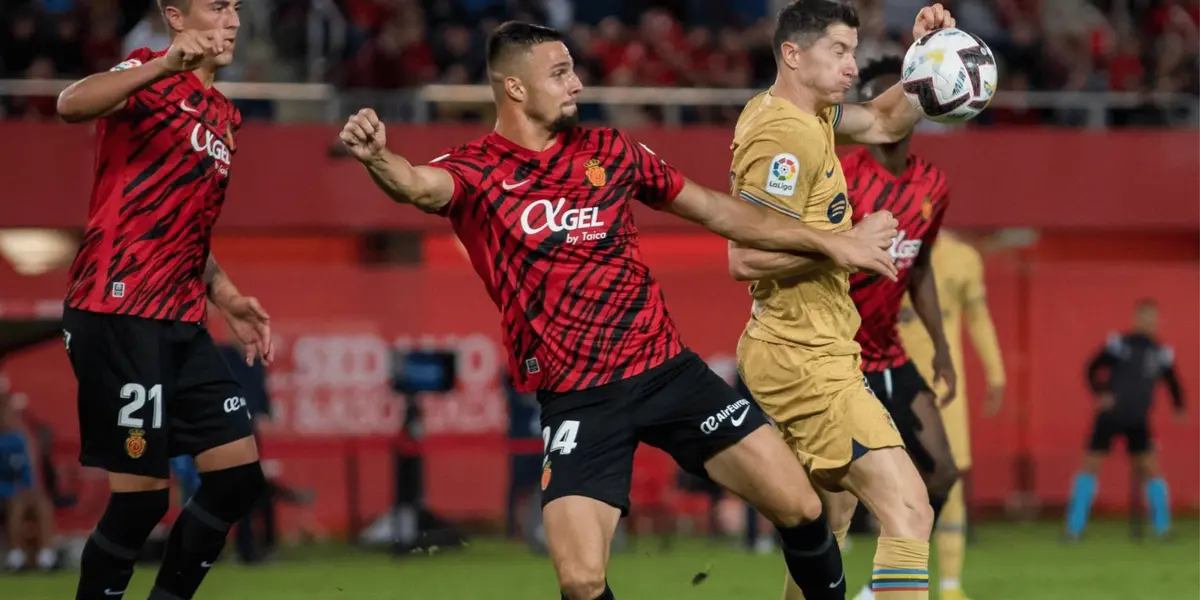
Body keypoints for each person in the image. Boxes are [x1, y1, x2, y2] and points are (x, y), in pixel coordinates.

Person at [340, 20, 902, 600]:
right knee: (581, 581)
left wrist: (830, 241)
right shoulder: (477, 170)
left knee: (802, 507)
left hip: (668, 373)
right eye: (559, 74)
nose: (577, 84)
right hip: (581, 398)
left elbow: (716, 210)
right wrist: (379, 159)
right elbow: (415, 185)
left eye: (574, 70)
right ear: (514, 88)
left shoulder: (610, 150)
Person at [728, 3, 957, 599]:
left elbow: (884, 121)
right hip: (804, 357)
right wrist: (845, 246)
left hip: (815, 346)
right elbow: (745, 258)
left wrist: (925, 57)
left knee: (827, 522)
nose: (853, 65)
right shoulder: (783, 137)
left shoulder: (814, 115)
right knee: (909, 508)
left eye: (854, 51)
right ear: (793, 55)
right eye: (839, 51)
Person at [55, 1, 274, 598]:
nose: (231, 19)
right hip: (118, 311)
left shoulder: (223, 116)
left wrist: (226, 294)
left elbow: (184, 226)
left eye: (236, 7)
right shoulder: (146, 73)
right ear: (176, 17)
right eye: (217, 6)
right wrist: (162, 67)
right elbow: (69, 104)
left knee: (238, 479)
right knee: (142, 502)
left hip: (180, 318)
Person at [838, 55, 960, 600]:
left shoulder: (933, 184)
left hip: (890, 355)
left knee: (943, 473)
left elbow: (922, 267)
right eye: (885, 97)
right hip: (839, 360)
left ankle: (876, 588)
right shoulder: (842, 176)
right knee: (829, 501)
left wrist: (941, 348)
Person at [896, 230, 1006, 599]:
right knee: (890, 487)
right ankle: (897, 582)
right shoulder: (882, 249)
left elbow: (978, 318)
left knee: (950, 482)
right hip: (891, 385)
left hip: (945, 392)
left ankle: (950, 584)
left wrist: (996, 372)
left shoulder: (962, 258)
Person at [1065, 299, 1186, 542]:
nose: (1148, 321)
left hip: (1138, 419)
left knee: (1151, 469)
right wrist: (1101, 393)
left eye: (1152, 317)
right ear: (1136, 318)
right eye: (1144, 316)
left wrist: (1179, 407)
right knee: (1090, 466)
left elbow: (1173, 382)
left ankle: (1162, 528)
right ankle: (1074, 528)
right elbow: (1091, 368)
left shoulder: (1160, 353)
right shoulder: (1119, 345)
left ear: (1158, 320)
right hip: (1110, 416)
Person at [0, 382, 58, 572]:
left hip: (16, 489)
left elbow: (26, 472)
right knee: (16, 503)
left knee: (41, 503)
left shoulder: (18, 438)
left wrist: (29, 490)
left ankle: (45, 558)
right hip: (5, 491)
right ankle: (15, 557)